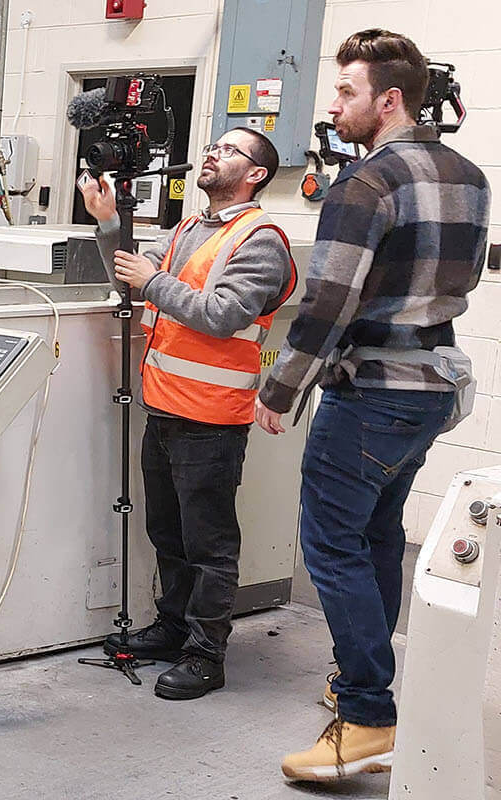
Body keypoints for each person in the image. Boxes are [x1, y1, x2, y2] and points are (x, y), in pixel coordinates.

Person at [253, 29, 490, 782]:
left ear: (388, 100)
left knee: (328, 544)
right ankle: (371, 684)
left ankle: (365, 715)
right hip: (430, 390)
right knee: (378, 534)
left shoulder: (365, 185)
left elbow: (326, 302)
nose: (334, 105)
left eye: (347, 91)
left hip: (371, 392)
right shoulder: (472, 175)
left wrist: (280, 389)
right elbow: (468, 280)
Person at [78, 126, 296, 701]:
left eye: (229, 150)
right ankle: (174, 628)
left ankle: (206, 654)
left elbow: (223, 314)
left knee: (209, 544)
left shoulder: (262, 239)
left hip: (212, 419)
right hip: (165, 408)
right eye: (213, 146)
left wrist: (155, 282)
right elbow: (130, 273)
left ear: (256, 174)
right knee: (166, 533)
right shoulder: (188, 229)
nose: (211, 154)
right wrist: (106, 223)